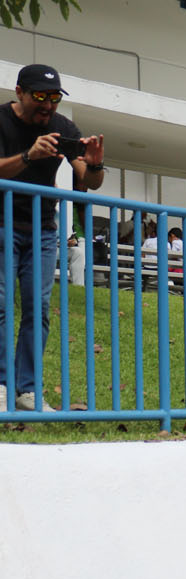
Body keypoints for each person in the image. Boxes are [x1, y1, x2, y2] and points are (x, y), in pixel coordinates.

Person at [0, 64, 105, 411]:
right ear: (19, 93)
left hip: (43, 230)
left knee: (38, 309)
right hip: (3, 225)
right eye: (40, 97)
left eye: (55, 98)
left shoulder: (62, 128)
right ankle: (1, 387)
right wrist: (30, 156)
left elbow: (89, 182)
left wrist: (94, 165)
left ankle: (26, 390)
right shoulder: (1, 120)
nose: (48, 106)